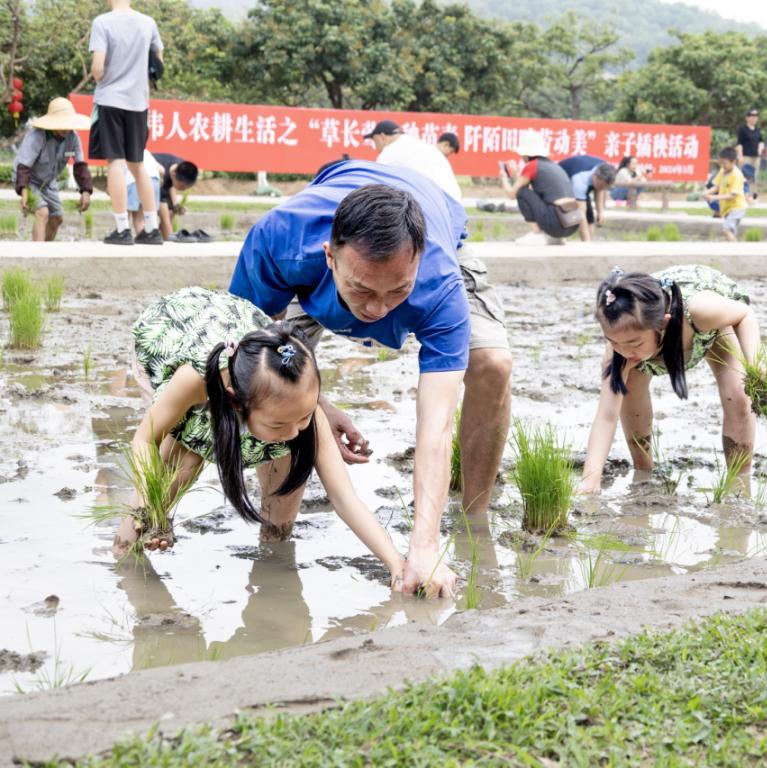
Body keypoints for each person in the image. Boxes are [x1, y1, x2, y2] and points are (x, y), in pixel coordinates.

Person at [230, 161, 484, 598]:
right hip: (311, 278)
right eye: (363, 290)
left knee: (494, 363)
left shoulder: (438, 284)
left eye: (397, 291)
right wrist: (316, 406)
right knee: (278, 399)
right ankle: (275, 541)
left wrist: (424, 546)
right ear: (330, 256)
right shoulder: (281, 241)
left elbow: (436, 425)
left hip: (438, 227)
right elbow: (253, 363)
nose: (379, 310)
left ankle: (477, 516)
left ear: (417, 265)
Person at [115, 286, 405, 584]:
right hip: (173, 333)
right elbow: (144, 439)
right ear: (236, 402)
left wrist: (396, 563)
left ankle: (272, 570)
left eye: (304, 416)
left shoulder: (298, 408)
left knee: (286, 483)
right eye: (280, 425)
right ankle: (125, 563)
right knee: (176, 473)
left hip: (255, 365)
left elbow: (345, 498)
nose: (294, 431)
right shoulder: (193, 380)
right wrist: (153, 507)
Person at [362, 120, 512, 523]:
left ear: (383, 137)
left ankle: (474, 514)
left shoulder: (393, 152)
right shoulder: (419, 154)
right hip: (394, 243)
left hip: (442, 244)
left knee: (491, 363)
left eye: (374, 139)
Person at [578, 265, 760, 494]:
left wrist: (755, 363)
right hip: (646, 324)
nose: (623, 351)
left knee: (739, 395)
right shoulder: (621, 347)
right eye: (612, 341)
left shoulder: (700, 311)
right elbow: (606, 416)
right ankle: (643, 471)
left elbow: (744, 314)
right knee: (630, 393)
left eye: (633, 343)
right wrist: (590, 480)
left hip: (706, 331)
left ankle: (740, 480)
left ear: (662, 324)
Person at [88, 0, 164, 245]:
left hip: (111, 99)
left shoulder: (102, 23)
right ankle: (152, 229)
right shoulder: (148, 23)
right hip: (138, 101)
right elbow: (158, 61)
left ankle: (122, 229)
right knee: (137, 164)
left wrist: (106, 74)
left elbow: (97, 69)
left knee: (115, 163)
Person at [13, 97, 94, 242]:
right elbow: (24, 167)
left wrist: (86, 191)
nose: (66, 128)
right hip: (28, 179)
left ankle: (46, 250)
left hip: (49, 181)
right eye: (62, 124)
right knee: (42, 212)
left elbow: (80, 165)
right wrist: (24, 192)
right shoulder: (36, 136)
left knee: (57, 218)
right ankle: (37, 255)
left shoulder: (73, 138)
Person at [499, 131, 580, 245]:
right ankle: (555, 238)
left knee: (522, 192)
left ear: (526, 154)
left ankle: (536, 234)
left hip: (555, 223)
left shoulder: (532, 166)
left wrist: (503, 178)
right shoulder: (554, 166)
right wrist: (516, 176)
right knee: (534, 194)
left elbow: (513, 194)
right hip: (572, 223)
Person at [366, 119, 462, 202]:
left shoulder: (391, 150)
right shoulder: (419, 145)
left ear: (382, 137)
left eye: (375, 141)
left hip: (438, 205)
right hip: (455, 204)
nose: (376, 147)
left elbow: (374, 186)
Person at [703, 147, 748, 242]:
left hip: (737, 208)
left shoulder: (737, 175)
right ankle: (733, 249)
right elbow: (717, 186)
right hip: (727, 209)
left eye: (725, 163)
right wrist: (708, 192)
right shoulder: (722, 171)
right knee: (730, 232)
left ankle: (736, 250)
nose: (723, 166)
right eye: (721, 163)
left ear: (733, 162)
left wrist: (714, 197)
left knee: (726, 229)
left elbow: (733, 195)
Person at [151, 152, 199, 240]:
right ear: (174, 175)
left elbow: (171, 183)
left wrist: (175, 203)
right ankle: (168, 242)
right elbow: (165, 220)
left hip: (161, 183)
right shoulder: (161, 177)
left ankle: (161, 239)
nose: (184, 189)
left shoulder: (180, 166)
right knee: (166, 217)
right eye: (182, 187)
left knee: (172, 211)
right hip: (142, 183)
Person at [559, 154, 612, 230]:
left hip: (581, 178)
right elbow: (581, 214)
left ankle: (589, 240)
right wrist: (586, 241)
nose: (601, 188)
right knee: (575, 216)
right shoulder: (580, 180)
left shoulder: (605, 170)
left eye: (604, 187)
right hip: (561, 182)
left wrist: (600, 212)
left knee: (589, 217)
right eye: (600, 185)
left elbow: (599, 189)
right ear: (594, 176)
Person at [124, 149, 162, 234]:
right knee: (140, 219)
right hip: (153, 180)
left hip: (132, 180)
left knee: (126, 213)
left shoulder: (121, 150)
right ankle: (145, 236)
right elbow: (162, 170)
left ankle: (122, 232)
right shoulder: (146, 152)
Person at [736, 109, 764, 198]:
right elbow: (739, 143)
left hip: (756, 157)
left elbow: (761, 141)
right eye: (752, 117)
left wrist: (760, 148)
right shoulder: (743, 129)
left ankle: (753, 194)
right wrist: (740, 156)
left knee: (755, 176)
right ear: (747, 118)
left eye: (755, 117)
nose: (754, 119)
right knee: (746, 175)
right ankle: (744, 193)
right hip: (746, 156)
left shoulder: (758, 130)